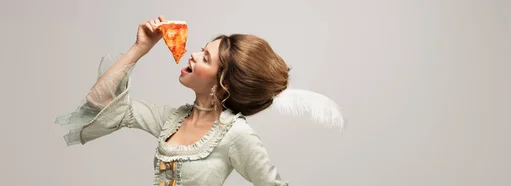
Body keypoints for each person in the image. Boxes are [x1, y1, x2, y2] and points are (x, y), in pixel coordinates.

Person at [55, 16, 343, 186]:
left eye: (205, 57)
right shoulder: (171, 120)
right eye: (201, 50)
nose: (192, 54)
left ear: (224, 83)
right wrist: (141, 47)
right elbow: (100, 101)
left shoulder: (236, 135)